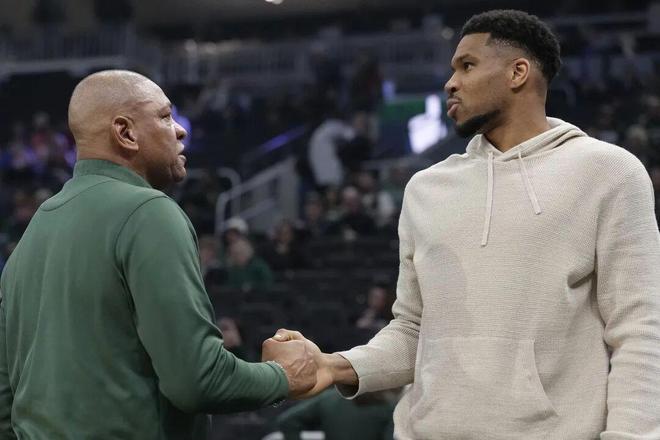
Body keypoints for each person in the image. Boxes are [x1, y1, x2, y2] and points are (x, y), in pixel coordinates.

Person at [273, 10, 660, 439]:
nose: (450, 83)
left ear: (518, 73)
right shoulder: (426, 188)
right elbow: (414, 331)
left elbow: (640, 330)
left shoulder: (608, 173)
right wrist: (334, 366)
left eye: (467, 66)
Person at [0, 70, 317, 440]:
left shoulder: (30, 237)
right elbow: (197, 380)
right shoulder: (148, 212)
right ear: (125, 133)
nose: (180, 130)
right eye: (165, 116)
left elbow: (5, 406)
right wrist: (284, 376)